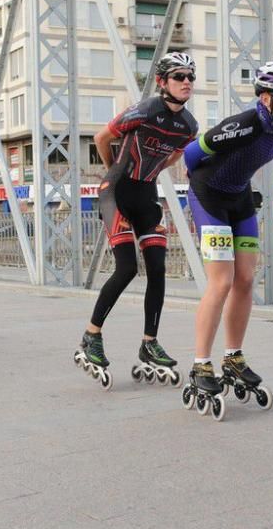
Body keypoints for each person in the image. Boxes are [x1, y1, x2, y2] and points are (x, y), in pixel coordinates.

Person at [180, 59, 273, 411]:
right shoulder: (243, 125)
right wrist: (207, 186)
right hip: (208, 196)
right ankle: (201, 362)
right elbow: (191, 156)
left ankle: (233, 356)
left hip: (239, 197)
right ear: (266, 98)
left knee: (246, 279)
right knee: (221, 282)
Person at [76, 52, 199, 389]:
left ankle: (149, 343)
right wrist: (112, 170)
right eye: (179, 76)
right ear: (162, 82)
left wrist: (156, 170)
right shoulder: (145, 110)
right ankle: (91, 335)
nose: (187, 81)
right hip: (116, 190)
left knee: (158, 269)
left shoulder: (190, 125)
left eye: (190, 76)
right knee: (127, 268)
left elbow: (176, 153)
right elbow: (102, 138)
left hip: (146, 196)